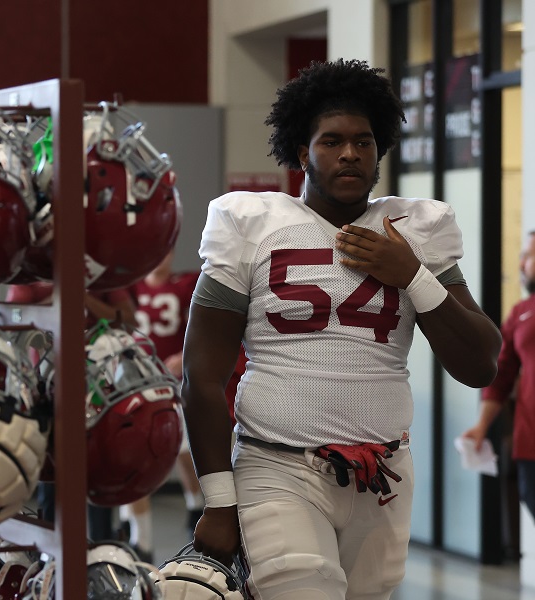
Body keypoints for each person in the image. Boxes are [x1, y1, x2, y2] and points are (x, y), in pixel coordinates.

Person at [182, 58, 501, 599]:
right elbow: (201, 376)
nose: (350, 153)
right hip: (277, 465)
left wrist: (413, 276)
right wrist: (218, 498)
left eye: (364, 141)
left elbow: (480, 363)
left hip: (383, 475)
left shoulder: (414, 233)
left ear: (379, 151)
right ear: (303, 152)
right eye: (331, 141)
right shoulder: (250, 224)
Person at [6, 280, 137, 542]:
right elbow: (13, 320)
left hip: (96, 384)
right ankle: (47, 546)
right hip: (47, 386)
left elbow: (129, 319)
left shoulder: (95, 275)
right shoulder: (33, 273)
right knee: (49, 469)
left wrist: (87, 300)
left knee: (98, 466)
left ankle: (101, 544)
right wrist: (59, 299)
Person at [117, 249, 205, 561]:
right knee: (132, 461)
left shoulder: (186, 283)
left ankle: (195, 507)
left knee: (184, 451)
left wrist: (185, 357)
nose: (159, 258)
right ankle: (141, 538)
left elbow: (208, 321)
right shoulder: (126, 288)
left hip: (171, 383)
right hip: (132, 383)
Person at [462, 230, 535, 522]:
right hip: (530, 445)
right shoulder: (521, 313)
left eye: (529, 256)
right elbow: (501, 375)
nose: (521, 265)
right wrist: (481, 426)